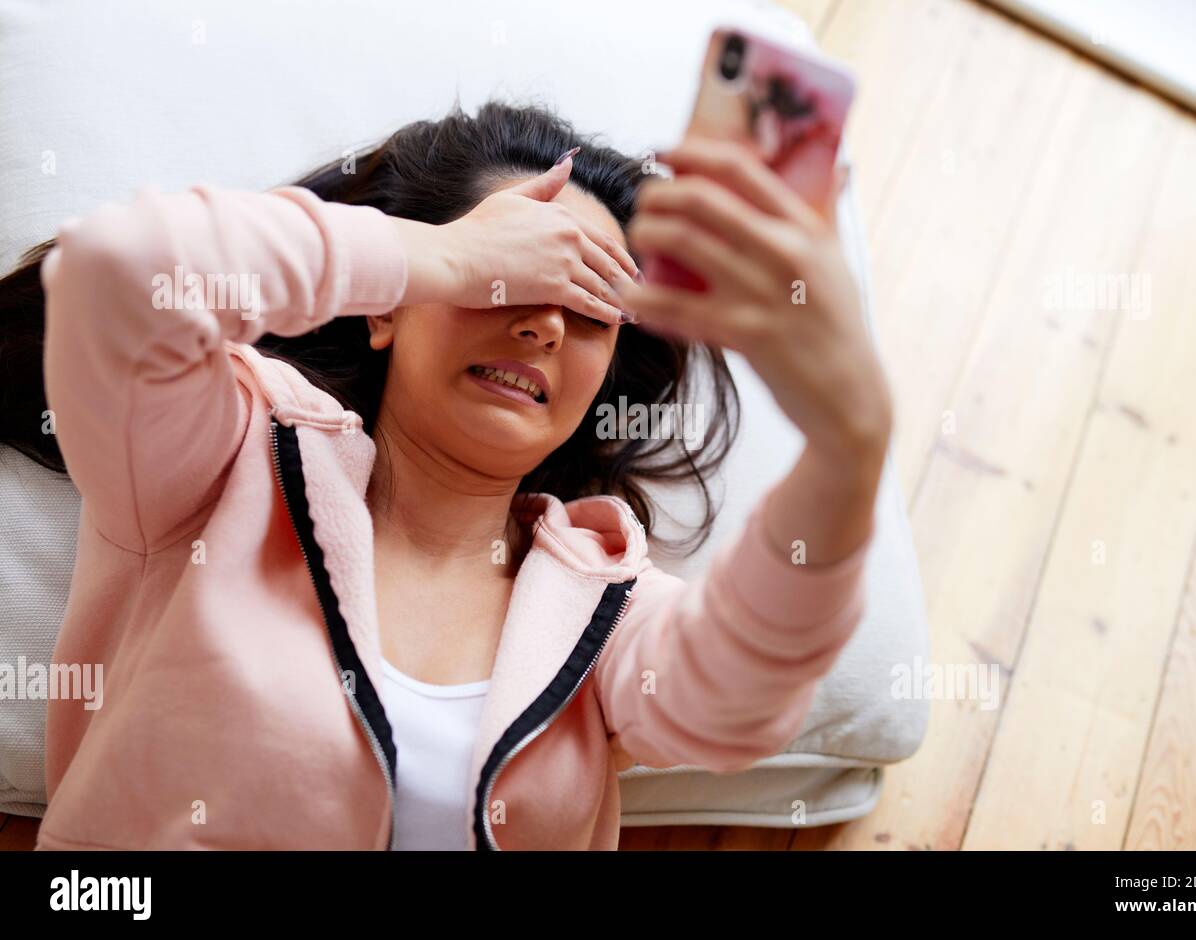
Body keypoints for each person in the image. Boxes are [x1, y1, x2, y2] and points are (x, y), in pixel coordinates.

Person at [0, 99, 891, 850]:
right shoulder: (224, 460)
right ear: (385, 308)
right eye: (514, 277)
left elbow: (738, 703)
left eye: (591, 307)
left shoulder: (607, 606)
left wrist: (847, 457)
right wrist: (441, 260)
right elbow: (115, 272)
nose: (546, 324)